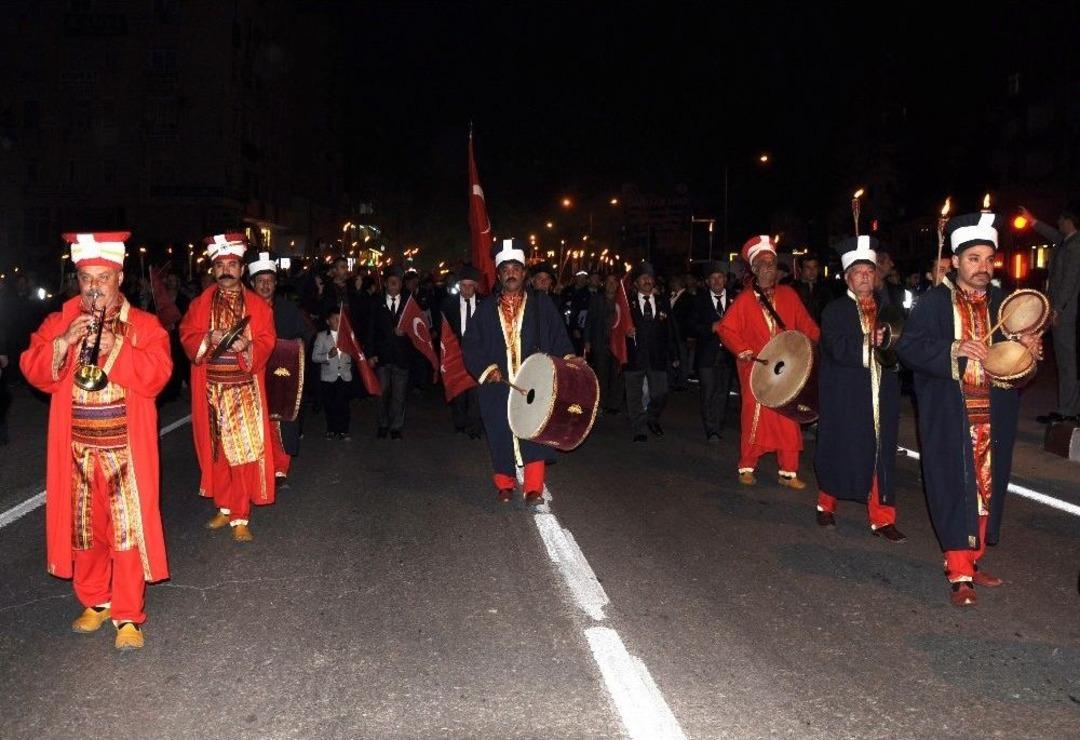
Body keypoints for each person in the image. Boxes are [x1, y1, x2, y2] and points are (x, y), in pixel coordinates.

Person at [19, 232, 172, 650]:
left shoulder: (145, 325)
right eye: (87, 279)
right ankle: (95, 601)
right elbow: (32, 368)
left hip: (125, 450)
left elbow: (159, 375)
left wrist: (118, 347)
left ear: (119, 278)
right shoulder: (62, 319)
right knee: (85, 533)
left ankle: (127, 615)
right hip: (77, 450)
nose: (94, 287)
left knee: (125, 534)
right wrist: (63, 342)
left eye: (103, 278)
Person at [895, 212, 1042, 606]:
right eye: (973, 258)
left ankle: (973, 560)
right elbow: (908, 349)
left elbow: (1013, 368)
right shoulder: (934, 303)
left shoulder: (1004, 304)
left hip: (995, 415)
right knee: (955, 486)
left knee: (987, 488)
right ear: (955, 261)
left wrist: (1028, 353)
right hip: (951, 415)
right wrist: (954, 350)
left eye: (988, 259)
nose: (982, 267)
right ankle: (959, 569)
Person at [180, 233, 276, 542]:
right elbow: (186, 335)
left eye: (232, 264)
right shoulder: (200, 303)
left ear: (241, 268)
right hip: (210, 391)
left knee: (243, 454)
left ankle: (240, 515)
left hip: (243, 389)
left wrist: (248, 344)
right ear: (213, 268)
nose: (226, 270)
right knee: (217, 454)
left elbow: (266, 341)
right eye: (220, 265)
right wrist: (207, 337)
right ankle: (223, 508)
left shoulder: (258, 306)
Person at [462, 239, 574, 505]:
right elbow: (470, 345)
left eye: (516, 268)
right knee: (499, 430)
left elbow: (559, 336)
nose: (511, 273)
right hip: (499, 383)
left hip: (533, 382)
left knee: (534, 430)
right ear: (499, 275)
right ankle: (505, 483)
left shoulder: (542, 305)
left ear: (524, 273)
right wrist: (487, 370)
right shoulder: (486, 309)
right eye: (505, 269)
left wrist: (569, 360)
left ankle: (534, 487)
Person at [814, 236, 906, 541]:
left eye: (870, 270)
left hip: (884, 393)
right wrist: (867, 342)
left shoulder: (888, 308)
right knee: (841, 447)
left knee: (881, 452)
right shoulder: (834, 310)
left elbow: (901, 344)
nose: (865, 275)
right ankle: (826, 503)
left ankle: (882, 518)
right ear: (846, 278)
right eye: (858, 271)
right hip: (847, 394)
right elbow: (836, 348)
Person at [716, 235, 820, 487]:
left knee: (788, 416)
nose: (768, 268)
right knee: (755, 416)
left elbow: (808, 327)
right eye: (763, 264)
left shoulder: (789, 295)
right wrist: (742, 349)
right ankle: (747, 465)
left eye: (772, 263)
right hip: (757, 370)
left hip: (788, 370)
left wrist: (813, 347)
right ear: (754, 269)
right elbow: (725, 328)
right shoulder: (744, 300)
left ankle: (789, 471)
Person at [249, 250, 314, 478]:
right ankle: (260, 465)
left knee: (282, 419)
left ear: (276, 283)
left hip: (281, 373)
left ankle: (280, 467)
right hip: (253, 374)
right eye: (260, 282)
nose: (265, 286)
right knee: (257, 421)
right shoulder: (243, 309)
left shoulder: (288, 309)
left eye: (269, 281)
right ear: (252, 283)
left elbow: (305, 335)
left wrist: (291, 349)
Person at [1020, 204, 1080, 423]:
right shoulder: (1066, 241)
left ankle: (1069, 411)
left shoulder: (1075, 245)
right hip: (1057, 309)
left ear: (1069, 220)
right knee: (1060, 358)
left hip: (1065, 312)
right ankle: (1068, 409)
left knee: (1067, 360)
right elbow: (1050, 232)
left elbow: (1070, 280)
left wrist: (1058, 309)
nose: (1057, 224)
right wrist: (1032, 219)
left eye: (1060, 220)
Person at [624, 263, 679, 442]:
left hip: (657, 356)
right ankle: (639, 428)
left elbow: (671, 329)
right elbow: (616, 326)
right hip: (634, 356)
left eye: (649, 278)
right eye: (643, 278)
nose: (647, 281)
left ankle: (652, 418)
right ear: (636, 283)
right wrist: (625, 332)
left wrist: (675, 354)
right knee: (634, 395)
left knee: (660, 392)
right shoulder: (627, 303)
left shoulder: (662, 301)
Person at [366, 265, 412, 439]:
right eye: (391, 282)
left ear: (401, 284)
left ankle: (396, 427)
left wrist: (406, 331)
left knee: (399, 395)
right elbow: (370, 329)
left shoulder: (409, 302)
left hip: (402, 356)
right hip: (381, 356)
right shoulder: (377, 302)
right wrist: (370, 354)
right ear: (385, 284)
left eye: (398, 282)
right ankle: (383, 423)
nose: (394, 285)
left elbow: (418, 329)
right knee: (382, 393)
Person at [693, 261, 734, 442]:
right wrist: (711, 327)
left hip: (728, 355)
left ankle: (718, 425)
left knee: (723, 393)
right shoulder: (699, 300)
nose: (717, 281)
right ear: (708, 282)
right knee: (708, 391)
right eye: (713, 278)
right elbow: (691, 327)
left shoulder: (736, 299)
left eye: (720, 277)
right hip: (706, 355)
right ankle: (711, 429)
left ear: (725, 280)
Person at [441, 265, 482, 438]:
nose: (466, 290)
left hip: (478, 354)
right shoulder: (448, 305)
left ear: (476, 287)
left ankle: (474, 428)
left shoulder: (485, 305)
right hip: (456, 354)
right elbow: (443, 330)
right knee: (458, 390)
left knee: (475, 393)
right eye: (463, 286)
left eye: (470, 286)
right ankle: (459, 424)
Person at [584, 273, 624, 415]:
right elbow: (589, 321)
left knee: (616, 374)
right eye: (609, 282)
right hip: (600, 341)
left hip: (617, 344)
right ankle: (602, 403)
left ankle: (614, 404)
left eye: (614, 282)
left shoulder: (622, 301)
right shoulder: (596, 300)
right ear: (604, 284)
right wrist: (587, 341)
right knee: (601, 373)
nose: (611, 284)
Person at [312, 304, 353, 439]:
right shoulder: (322, 336)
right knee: (330, 404)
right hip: (328, 376)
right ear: (327, 321)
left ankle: (343, 429)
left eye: (340, 319)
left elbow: (356, 352)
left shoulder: (349, 335)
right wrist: (328, 355)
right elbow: (315, 357)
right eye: (334, 319)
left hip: (345, 375)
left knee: (344, 405)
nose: (337, 322)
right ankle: (331, 428)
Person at [793, 252, 834, 324]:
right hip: (800, 332)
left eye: (815, 267)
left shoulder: (825, 290)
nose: (812, 271)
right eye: (808, 267)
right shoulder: (793, 290)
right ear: (800, 269)